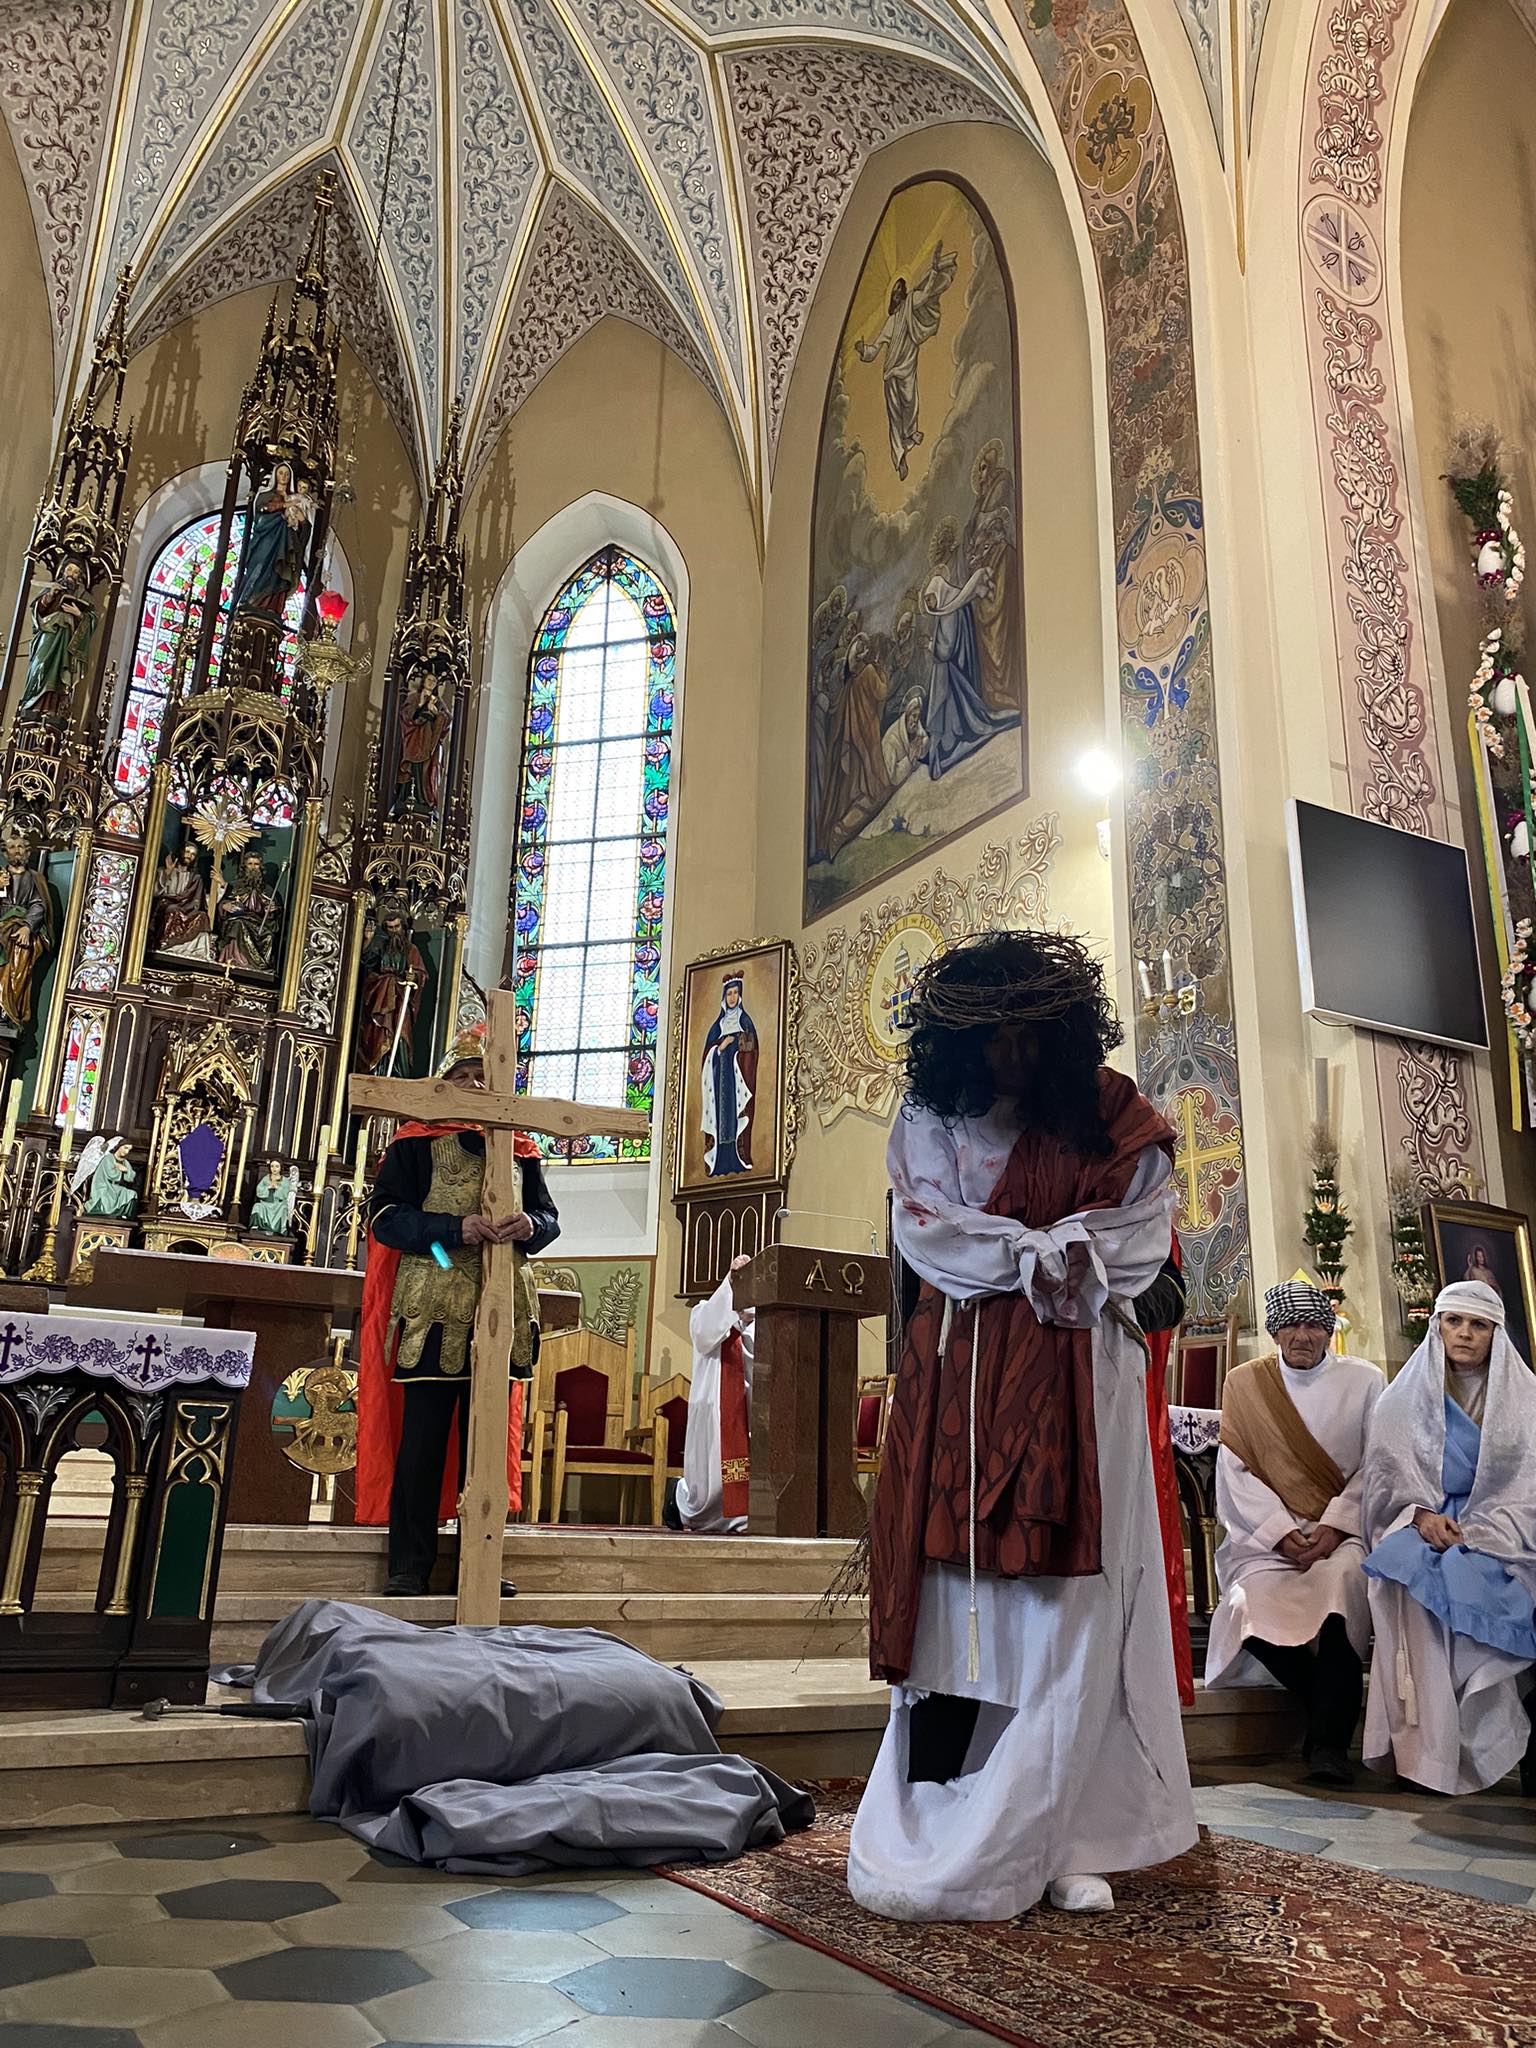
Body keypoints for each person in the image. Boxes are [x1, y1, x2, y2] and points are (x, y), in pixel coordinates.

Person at [847, 931, 1197, 1923]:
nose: (1010, 1056)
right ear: (957, 1044)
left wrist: (1042, 1251)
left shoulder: (1110, 1115)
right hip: (957, 1385)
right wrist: (1046, 1250)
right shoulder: (932, 1116)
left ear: (1064, 1034)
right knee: (959, 1606)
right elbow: (930, 1233)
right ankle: (945, 1810)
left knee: (1072, 1615)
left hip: (1087, 1389)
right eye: (991, 1038)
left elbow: (1137, 1241)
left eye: (1029, 1036)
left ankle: (1075, 1831)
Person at [356, 1023, 561, 1597]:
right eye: (463, 1076)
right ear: (443, 1085)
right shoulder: (414, 1141)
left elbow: (549, 1218)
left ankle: (482, 1559)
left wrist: (532, 1225)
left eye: (482, 1076)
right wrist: (452, 1229)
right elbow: (385, 1216)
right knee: (423, 1442)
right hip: (435, 1294)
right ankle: (410, 1565)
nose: (474, 1086)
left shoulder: (520, 1148)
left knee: (488, 1444)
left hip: (503, 1304)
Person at [1206, 1282, 1385, 1785]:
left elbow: (1378, 1463)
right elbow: (1236, 1471)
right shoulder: (1245, 1384)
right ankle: (1325, 1707)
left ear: (1328, 1331)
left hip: (1342, 1535)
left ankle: (1329, 1747)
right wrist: (1281, 1534)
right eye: (1290, 1326)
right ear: (1275, 1332)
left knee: (1340, 1594)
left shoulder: (1365, 1380)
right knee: (1246, 1607)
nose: (1301, 1337)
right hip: (1267, 1541)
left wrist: (1334, 1527)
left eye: (1312, 1326)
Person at [1362, 1280, 1536, 1796]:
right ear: (1436, 1327)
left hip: (1507, 1528)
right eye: (1454, 1321)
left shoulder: (1527, 1401)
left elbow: (1527, 1486)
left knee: (1492, 1580)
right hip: (1424, 1522)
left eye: (1478, 1325)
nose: (1464, 1333)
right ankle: (1428, 1754)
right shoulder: (1401, 1400)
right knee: (1405, 1577)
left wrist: (1483, 1529)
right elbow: (1386, 1481)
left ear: (1496, 1334)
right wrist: (1420, 1516)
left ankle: (1489, 1740)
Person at [855, 243, 958, 481]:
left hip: (907, 367)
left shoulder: (912, 303)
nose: (898, 294)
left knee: (910, 402)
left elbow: (928, 293)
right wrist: (863, 350)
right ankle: (899, 456)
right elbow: (876, 347)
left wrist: (934, 270)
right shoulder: (891, 321)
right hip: (891, 370)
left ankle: (910, 436)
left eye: (900, 289)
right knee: (894, 416)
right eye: (895, 292)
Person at [673, 1255, 754, 1535]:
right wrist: (732, 1283)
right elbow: (706, 1333)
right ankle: (696, 1512)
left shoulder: (762, 1325)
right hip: (713, 1411)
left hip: (749, 1411)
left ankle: (743, 1514)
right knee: (710, 1475)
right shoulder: (703, 1312)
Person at [18, 559, 97, 723]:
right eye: (69, 570)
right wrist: (49, 596)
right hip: (48, 634)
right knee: (40, 666)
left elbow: (92, 620)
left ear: (80, 577)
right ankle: (31, 705)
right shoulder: (52, 588)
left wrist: (79, 614)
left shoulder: (84, 596)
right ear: (63, 571)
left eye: (76, 572)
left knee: (61, 674)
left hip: (66, 641)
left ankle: (53, 710)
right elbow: (36, 611)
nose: (72, 575)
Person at [700, 975, 757, 1177]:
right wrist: (720, 1047)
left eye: (735, 993)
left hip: (736, 1082)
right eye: (729, 993)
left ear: (740, 996)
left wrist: (740, 1049)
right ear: (724, 997)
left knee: (735, 1119)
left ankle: (738, 1157)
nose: (732, 997)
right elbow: (707, 1055)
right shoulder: (718, 1026)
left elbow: (752, 1052)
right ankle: (718, 1161)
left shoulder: (745, 1022)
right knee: (720, 1121)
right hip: (718, 1084)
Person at [151, 839, 215, 962]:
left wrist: (220, 886)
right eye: (187, 852)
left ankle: (197, 951)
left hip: (188, 907)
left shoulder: (195, 878)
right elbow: (154, 892)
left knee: (202, 916)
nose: (189, 856)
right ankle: (167, 945)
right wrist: (167, 873)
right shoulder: (163, 871)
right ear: (180, 852)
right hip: (167, 905)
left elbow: (201, 900)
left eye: (193, 854)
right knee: (173, 910)